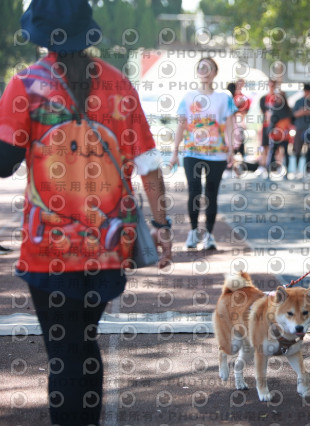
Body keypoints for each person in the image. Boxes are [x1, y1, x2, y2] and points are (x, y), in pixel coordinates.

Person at [0, 1, 172, 424]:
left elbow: (3, 162)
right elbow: (148, 164)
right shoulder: (118, 84)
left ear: (41, 35)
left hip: (47, 249)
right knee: (85, 341)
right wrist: (162, 224)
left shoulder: (25, 85)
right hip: (108, 247)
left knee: (63, 354)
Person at [170, 57, 236, 250]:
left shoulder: (224, 98)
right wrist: (175, 151)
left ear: (215, 72)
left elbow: (230, 125)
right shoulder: (188, 97)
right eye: (201, 67)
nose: (204, 70)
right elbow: (181, 125)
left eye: (209, 67)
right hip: (192, 151)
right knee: (194, 191)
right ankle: (192, 233)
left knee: (211, 194)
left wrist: (232, 149)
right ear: (197, 72)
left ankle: (208, 235)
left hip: (217, 154)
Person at [292, 83, 310, 178]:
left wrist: (308, 111)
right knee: (297, 149)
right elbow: (294, 114)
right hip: (300, 128)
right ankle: (296, 170)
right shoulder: (299, 101)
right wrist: (301, 112)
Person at [266, 90, 294, 179]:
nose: (278, 99)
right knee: (272, 153)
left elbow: (291, 121)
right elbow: (272, 122)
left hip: (284, 135)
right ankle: (268, 172)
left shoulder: (287, 109)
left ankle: (286, 173)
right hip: (276, 135)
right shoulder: (276, 108)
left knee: (285, 154)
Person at [256, 79, 278, 176]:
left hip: (275, 126)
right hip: (266, 125)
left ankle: (274, 166)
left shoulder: (278, 98)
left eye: (273, 85)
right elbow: (263, 111)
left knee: (275, 148)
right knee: (264, 146)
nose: (271, 87)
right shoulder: (264, 98)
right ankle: (263, 165)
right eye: (270, 85)